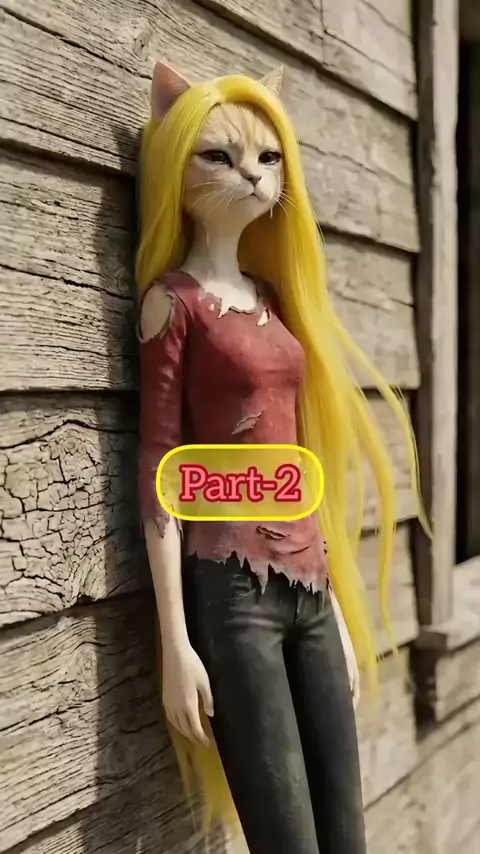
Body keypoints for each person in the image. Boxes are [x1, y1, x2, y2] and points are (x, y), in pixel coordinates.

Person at [135, 62, 425, 854]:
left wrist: (337, 607)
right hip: (230, 590)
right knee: (288, 840)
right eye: (222, 156)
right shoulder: (174, 303)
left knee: (346, 835)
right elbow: (160, 466)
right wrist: (175, 641)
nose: (254, 174)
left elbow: (294, 457)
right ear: (176, 162)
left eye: (270, 157)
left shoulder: (273, 297)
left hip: (309, 583)